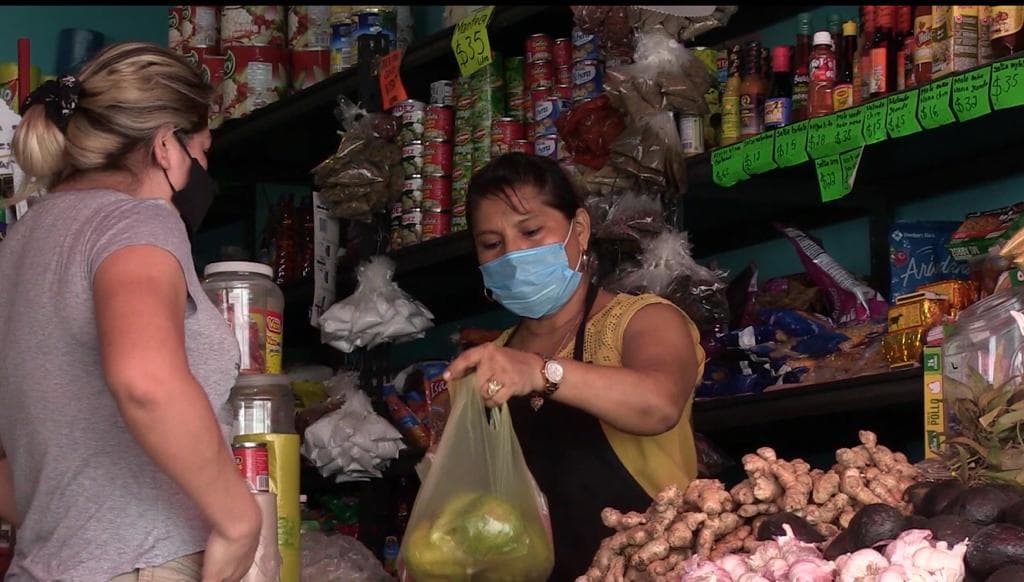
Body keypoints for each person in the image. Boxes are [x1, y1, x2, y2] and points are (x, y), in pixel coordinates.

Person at [0, 43, 260, 581]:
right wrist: (239, 519)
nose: (203, 169)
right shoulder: (135, 222)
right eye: (202, 150)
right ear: (166, 145)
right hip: (143, 565)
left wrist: (71, 530)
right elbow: (145, 380)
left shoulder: (21, 241)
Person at [444, 153, 705, 580]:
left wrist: (540, 372)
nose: (513, 254)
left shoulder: (644, 321)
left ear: (578, 230)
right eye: (492, 244)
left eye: (530, 232)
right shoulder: (485, 367)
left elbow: (659, 404)